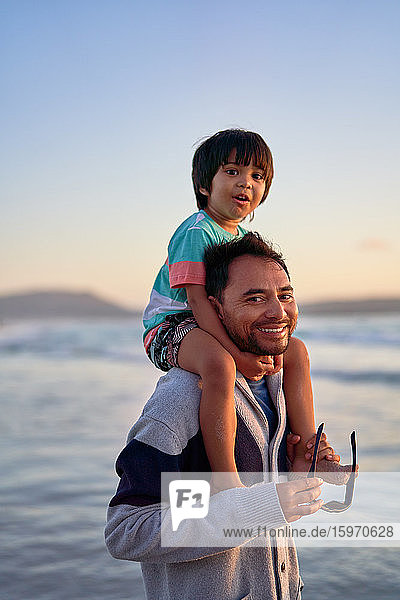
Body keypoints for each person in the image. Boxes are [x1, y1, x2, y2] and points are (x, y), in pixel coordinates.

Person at [105, 233, 340, 600]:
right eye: (255, 299)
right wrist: (253, 508)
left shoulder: (278, 388)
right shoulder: (183, 400)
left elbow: (253, 506)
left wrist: (297, 476)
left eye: (285, 295)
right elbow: (130, 530)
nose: (278, 312)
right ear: (214, 309)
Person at [143, 129, 337, 491]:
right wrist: (238, 356)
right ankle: (226, 481)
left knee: (296, 350)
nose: (245, 183)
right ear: (204, 185)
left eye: (257, 176)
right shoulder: (196, 232)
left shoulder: (240, 241)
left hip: (212, 321)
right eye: (232, 171)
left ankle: (308, 451)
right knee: (219, 366)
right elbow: (199, 302)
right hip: (171, 326)